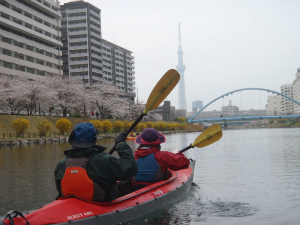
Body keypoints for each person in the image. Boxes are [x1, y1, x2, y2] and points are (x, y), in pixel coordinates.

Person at [54, 123, 137, 202]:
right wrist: (121, 145)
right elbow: (131, 167)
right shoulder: (103, 160)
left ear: (72, 140)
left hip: (72, 205)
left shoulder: (61, 164)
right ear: (94, 140)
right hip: (100, 204)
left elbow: (60, 189)